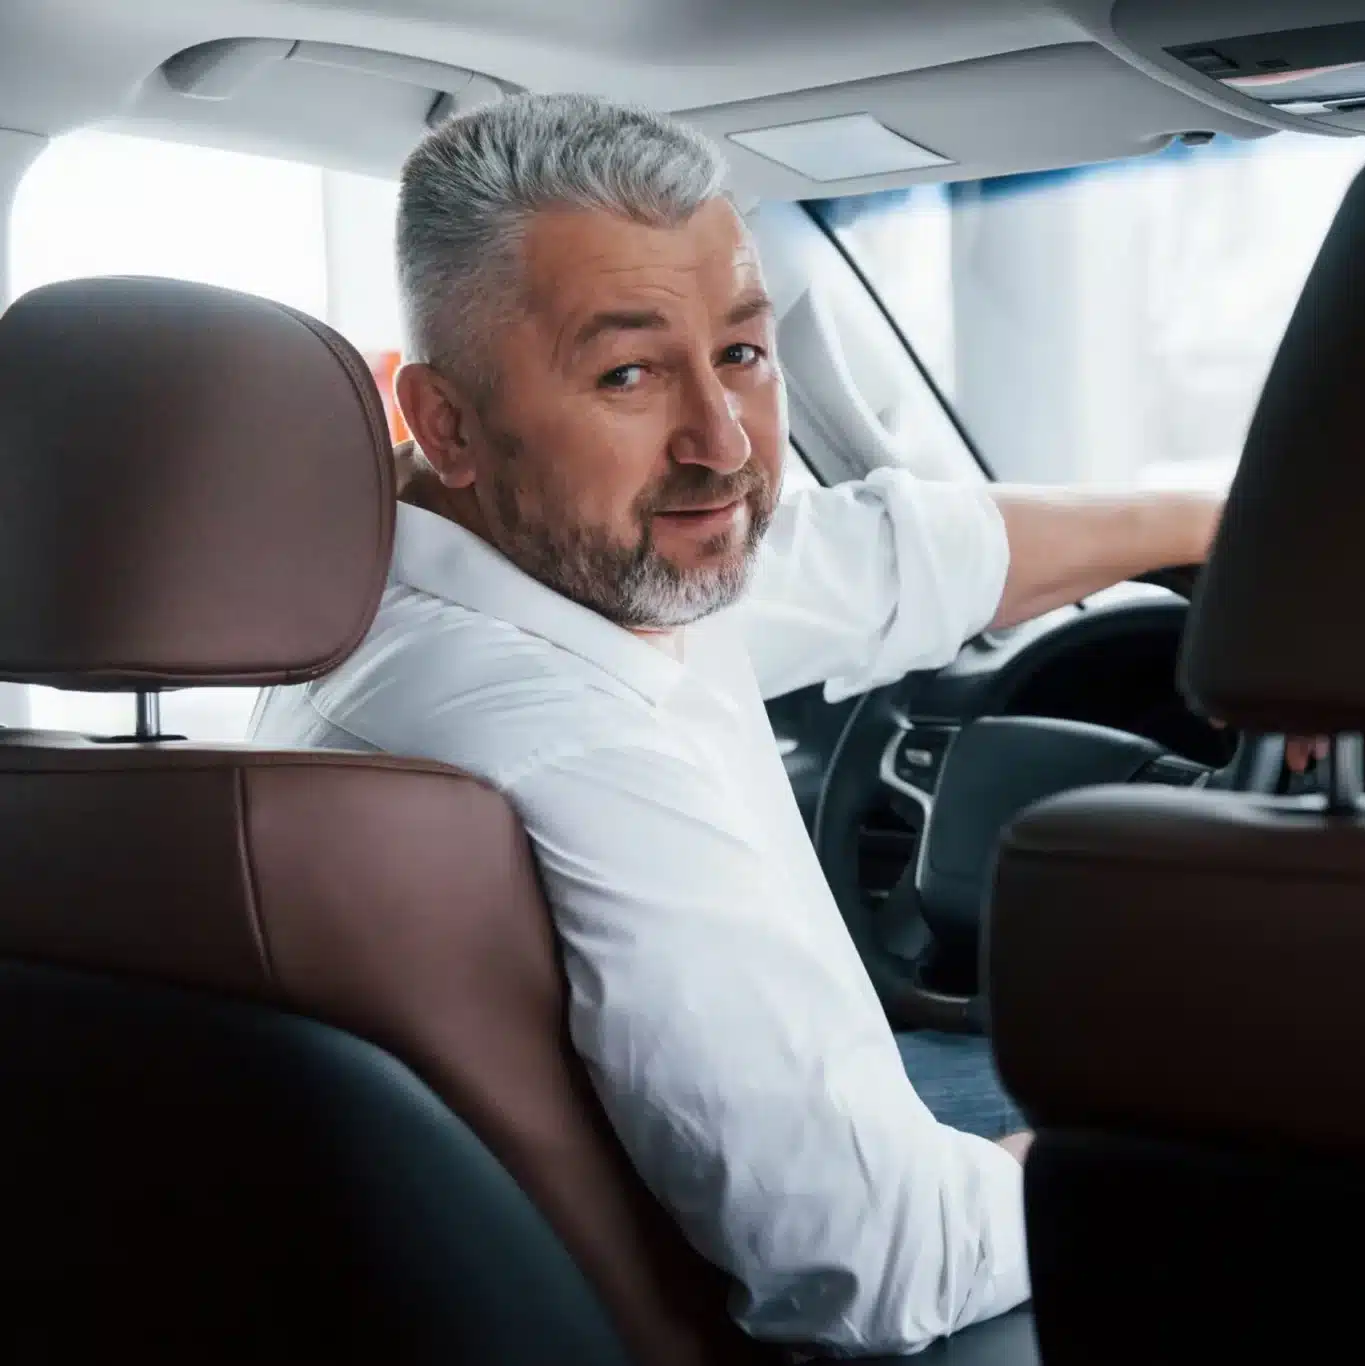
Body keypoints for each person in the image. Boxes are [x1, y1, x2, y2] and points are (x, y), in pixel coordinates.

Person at [251, 91, 1245, 1354]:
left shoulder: (480, 578)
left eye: (740, 353)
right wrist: (1142, 1151)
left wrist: (1200, 529)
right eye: (626, 372)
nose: (722, 445)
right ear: (442, 419)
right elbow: (880, 1263)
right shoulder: (572, 746)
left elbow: (872, 559)